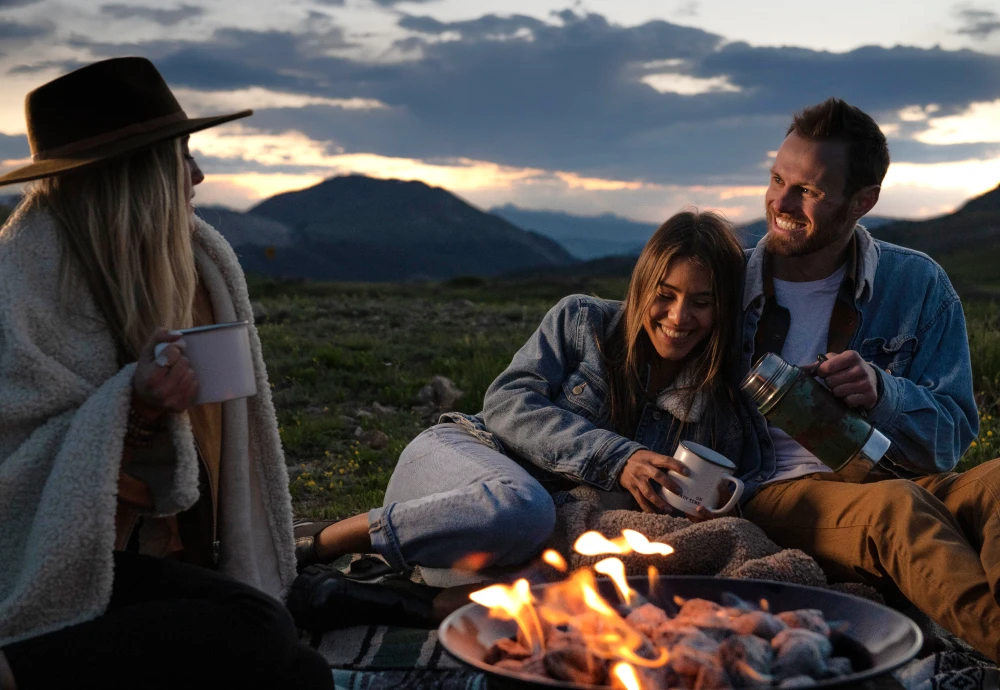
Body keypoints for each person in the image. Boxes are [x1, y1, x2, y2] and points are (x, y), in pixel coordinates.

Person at [0, 58, 333, 689]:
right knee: (259, 629)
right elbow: (15, 475)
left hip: (120, 550)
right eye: (182, 154)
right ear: (138, 172)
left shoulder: (188, 262)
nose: (199, 174)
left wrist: (142, 411)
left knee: (302, 674)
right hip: (29, 561)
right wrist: (132, 405)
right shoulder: (21, 286)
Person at [288, 210, 758, 627]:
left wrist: (706, 506)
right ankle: (318, 543)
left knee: (580, 584)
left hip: (498, 547)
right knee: (524, 508)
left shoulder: (718, 406)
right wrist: (618, 457)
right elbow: (507, 402)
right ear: (641, 287)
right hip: (458, 471)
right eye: (666, 294)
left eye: (702, 301)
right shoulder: (583, 321)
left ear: (723, 308)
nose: (679, 316)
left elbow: (749, 479)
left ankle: (390, 603)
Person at [733, 97, 999, 661]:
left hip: (895, 476)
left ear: (864, 200)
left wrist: (884, 394)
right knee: (896, 509)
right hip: (779, 493)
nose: (781, 202)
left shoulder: (917, 284)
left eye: (809, 190)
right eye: (778, 178)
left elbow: (952, 438)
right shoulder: (723, 281)